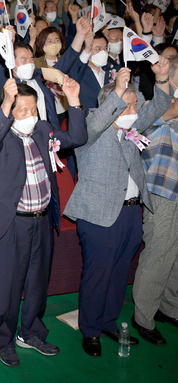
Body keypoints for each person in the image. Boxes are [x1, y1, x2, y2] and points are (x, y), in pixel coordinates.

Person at [0, 75, 88, 367]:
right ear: (10, 111)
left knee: (38, 280)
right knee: (9, 285)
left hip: (41, 220)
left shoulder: (43, 130)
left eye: (33, 109)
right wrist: (7, 102)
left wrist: (73, 101)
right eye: (22, 110)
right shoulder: (1, 138)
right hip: (13, 223)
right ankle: (4, 338)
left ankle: (32, 332)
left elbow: (77, 138)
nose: (29, 115)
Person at [64, 61, 173, 357]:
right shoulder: (89, 129)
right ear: (110, 106)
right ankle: (90, 330)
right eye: (126, 105)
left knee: (119, 272)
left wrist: (162, 77)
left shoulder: (130, 128)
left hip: (130, 213)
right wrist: (119, 90)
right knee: (98, 274)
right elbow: (97, 121)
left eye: (134, 104)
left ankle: (108, 322)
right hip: (99, 216)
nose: (133, 111)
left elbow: (158, 105)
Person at [133, 55, 178, 345]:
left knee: (174, 254)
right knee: (159, 252)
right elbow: (159, 117)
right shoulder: (152, 106)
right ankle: (143, 317)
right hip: (161, 189)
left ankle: (169, 307)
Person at [0, 18, 90, 129]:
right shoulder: (5, 84)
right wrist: (8, 45)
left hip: (47, 136)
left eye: (31, 59)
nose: (29, 63)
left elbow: (65, 62)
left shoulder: (39, 76)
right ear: (12, 61)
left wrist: (80, 34)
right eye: (24, 59)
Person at [70, 32, 122, 108]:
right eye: (98, 49)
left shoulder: (111, 69)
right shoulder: (79, 72)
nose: (103, 52)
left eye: (105, 48)